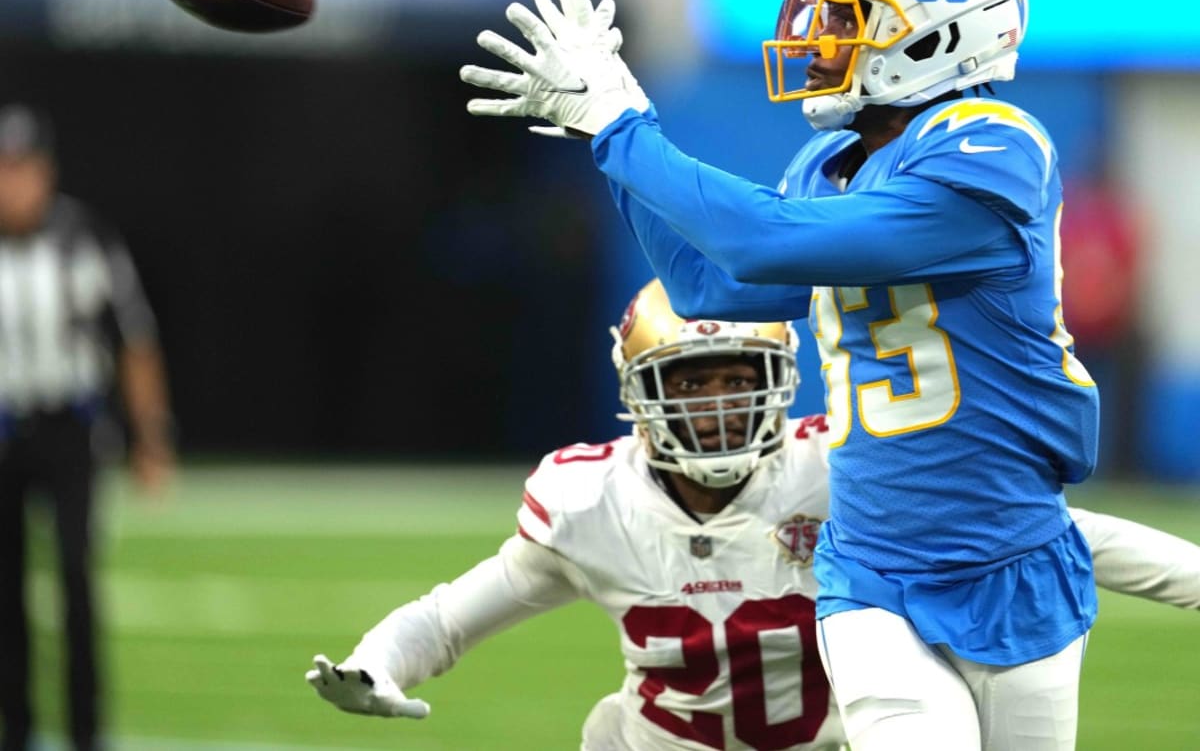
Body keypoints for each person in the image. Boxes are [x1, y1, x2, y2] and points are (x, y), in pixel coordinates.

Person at [459, 0, 1102, 749]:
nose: (814, 38)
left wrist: (625, 125)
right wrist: (606, 138)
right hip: (874, 564)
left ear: (940, 35)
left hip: (1012, 550)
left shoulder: (993, 145)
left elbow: (760, 241)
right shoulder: (833, 162)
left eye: (847, 18)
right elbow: (708, 285)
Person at [307, 279, 1200, 751]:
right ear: (640, 393)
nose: (720, 408)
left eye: (739, 383)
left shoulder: (840, 470)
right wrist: (379, 661)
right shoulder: (590, 506)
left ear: (781, 386)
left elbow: (1045, 537)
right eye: (693, 386)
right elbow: (451, 616)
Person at [0, 103, 177, 751]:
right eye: (2, 169)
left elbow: (135, 341)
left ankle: (85, 734)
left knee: (76, 579)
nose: (12, 184)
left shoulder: (85, 237)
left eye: (22, 169)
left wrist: (151, 438)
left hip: (69, 432)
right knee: (6, 592)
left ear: (45, 172)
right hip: (2, 434)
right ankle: (14, 731)